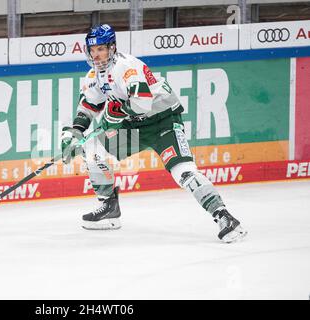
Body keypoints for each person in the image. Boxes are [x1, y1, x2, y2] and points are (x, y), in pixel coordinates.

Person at [61, 24, 247, 243]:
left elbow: (142, 103)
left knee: (183, 172)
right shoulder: (93, 76)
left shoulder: (127, 67)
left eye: (101, 49)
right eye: (92, 50)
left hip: (163, 122)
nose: (96, 54)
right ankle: (109, 207)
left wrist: (116, 112)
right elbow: (88, 106)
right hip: (134, 128)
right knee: (92, 148)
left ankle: (223, 216)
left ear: (112, 48)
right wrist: (74, 133)